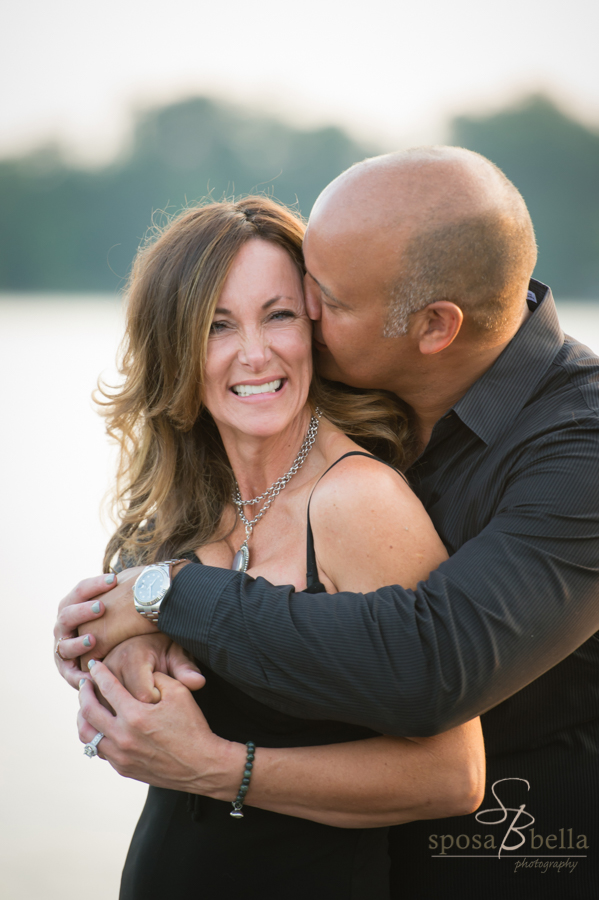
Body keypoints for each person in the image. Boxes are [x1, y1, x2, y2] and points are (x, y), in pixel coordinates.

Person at [55, 147, 599, 898]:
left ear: (434, 328)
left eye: (320, 302)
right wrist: (114, 632)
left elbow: (430, 666)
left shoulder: (576, 452)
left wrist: (166, 597)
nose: (299, 318)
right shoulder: (350, 402)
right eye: (300, 286)